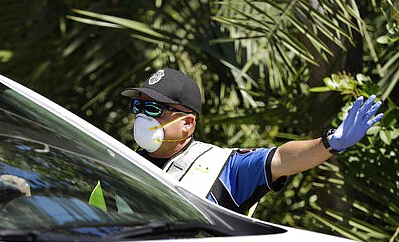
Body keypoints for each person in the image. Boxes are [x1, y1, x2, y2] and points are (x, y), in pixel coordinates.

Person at [121, 68, 384, 214]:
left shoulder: (223, 165)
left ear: (187, 122)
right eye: (139, 106)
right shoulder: (118, 160)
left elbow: (280, 158)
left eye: (154, 109)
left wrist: (331, 143)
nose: (142, 116)